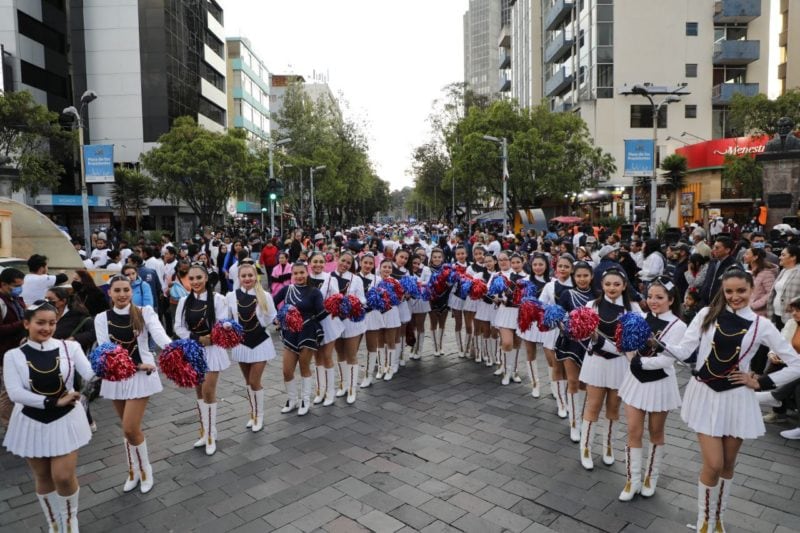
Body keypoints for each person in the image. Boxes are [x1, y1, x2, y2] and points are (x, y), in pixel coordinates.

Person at [668, 269, 800, 532]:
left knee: (728, 464)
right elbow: (684, 350)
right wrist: (655, 343)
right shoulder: (706, 315)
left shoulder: (761, 325)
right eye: (729, 291)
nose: (735, 296)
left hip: (738, 399)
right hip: (705, 394)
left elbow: (796, 364)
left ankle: (718, 521)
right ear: (723, 291)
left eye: (741, 291)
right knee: (714, 464)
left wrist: (760, 381)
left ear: (752, 290)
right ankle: (703, 522)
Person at [2, 300, 94, 532]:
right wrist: (52, 401)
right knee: (43, 475)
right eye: (40, 323)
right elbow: (15, 393)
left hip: (66, 420)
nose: (47, 328)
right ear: (26, 323)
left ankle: (70, 520)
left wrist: (119, 364)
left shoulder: (69, 348)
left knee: (62, 476)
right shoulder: (13, 355)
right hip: (30, 422)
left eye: (52, 323)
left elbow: (92, 374)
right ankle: (54, 522)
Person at [95, 275, 171, 493]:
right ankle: (133, 471)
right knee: (127, 430)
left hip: (142, 378)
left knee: (130, 427)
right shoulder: (101, 318)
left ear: (132, 291)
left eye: (126, 290)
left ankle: (146, 470)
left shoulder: (144, 312)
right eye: (117, 290)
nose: (122, 295)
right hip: (117, 376)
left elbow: (160, 336)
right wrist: (137, 365)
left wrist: (177, 350)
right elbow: (105, 350)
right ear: (109, 293)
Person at [617, 278, 687, 501]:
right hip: (635, 382)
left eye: (659, 297)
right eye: (650, 296)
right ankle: (632, 479)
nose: (653, 301)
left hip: (660, 385)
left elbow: (667, 360)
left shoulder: (678, 326)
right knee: (633, 430)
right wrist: (630, 357)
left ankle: (651, 477)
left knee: (656, 432)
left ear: (671, 299)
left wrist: (638, 362)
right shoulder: (639, 318)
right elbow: (627, 346)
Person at [580, 268, 641, 470]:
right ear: (602, 285)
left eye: (616, 284)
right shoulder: (592, 305)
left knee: (614, 407)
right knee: (593, 405)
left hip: (620, 364)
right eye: (607, 284)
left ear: (624, 286)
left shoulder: (633, 308)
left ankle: (608, 447)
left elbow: (638, 337)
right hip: (597, 362)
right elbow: (584, 332)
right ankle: (586, 448)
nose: (612, 288)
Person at [174, 263, 230, 455]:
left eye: (199, 278)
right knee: (198, 392)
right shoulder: (183, 301)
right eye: (192, 279)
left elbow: (223, 323)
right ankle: (204, 432)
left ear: (206, 278)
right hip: (194, 348)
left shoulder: (218, 299)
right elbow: (179, 327)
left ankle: (212, 434)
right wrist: (197, 339)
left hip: (213, 349)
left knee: (208, 391)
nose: (195, 282)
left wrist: (211, 338)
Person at [225, 260, 276, 432]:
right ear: (238, 278)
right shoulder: (231, 296)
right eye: (244, 276)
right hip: (241, 343)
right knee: (248, 382)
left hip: (260, 342)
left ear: (256, 277)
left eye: (250, 275)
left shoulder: (265, 295)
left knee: (255, 381)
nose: (247, 278)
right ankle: (252, 414)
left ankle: (259, 416)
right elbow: (227, 318)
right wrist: (227, 326)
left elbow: (270, 317)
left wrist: (259, 328)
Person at [274, 262, 324, 416]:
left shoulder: (314, 292)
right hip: (290, 332)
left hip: (308, 331)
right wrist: (276, 318)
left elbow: (321, 313)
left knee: (304, 366)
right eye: (295, 273)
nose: (299, 276)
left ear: (307, 273)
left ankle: (305, 400)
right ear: (292, 275)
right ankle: (292, 399)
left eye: (302, 272)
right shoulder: (286, 289)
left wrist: (336, 307)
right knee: (287, 370)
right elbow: (271, 304)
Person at [556, 261, 595, 442]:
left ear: (591, 277)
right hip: (571, 342)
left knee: (584, 385)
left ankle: (581, 417)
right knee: (572, 381)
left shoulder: (598, 295)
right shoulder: (566, 294)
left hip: (591, 345)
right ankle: (574, 424)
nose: (582, 279)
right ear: (573, 276)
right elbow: (559, 317)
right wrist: (565, 325)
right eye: (578, 276)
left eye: (585, 275)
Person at [308, 251, 344, 403]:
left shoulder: (330, 279)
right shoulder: (305, 278)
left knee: (327, 356)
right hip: (312, 323)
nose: (318, 264)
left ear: (325, 263)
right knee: (317, 357)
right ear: (310, 263)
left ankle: (330, 391)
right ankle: (320, 390)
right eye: (315, 261)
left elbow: (338, 299)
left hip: (327, 321)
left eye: (321, 261)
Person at [517, 253, 552, 397]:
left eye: (541, 264)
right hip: (529, 322)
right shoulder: (524, 281)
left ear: (547, 265)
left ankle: (554, 387)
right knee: (530, 352)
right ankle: (535, 384)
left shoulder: (553, 282)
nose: (538, 267)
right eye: (535, 265)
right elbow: (518, 301)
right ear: (531, 266)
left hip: (546, 323)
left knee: (550, 356)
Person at [332, 252, 366, 404]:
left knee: (351, 354)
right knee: (340, 353)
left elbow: (362, 299)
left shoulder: (356, 279)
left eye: (348, 263)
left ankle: (352, 388)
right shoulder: (329, 277)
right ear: (337, 260)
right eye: (343, 261)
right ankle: (343, 384)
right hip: (335, 321)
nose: (344, 264)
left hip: (351, 321)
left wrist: (353, 302)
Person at [0, 268, 28, 426]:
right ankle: (10, 427)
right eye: (16, 285)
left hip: (18, 351)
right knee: (7, 394)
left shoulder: (15, 299)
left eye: (21, 285)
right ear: (3, 284)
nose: (20, 288)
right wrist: (21, 323)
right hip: (4, 354)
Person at [493, 252, 526, 385]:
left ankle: (514, 370)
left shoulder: (528, 277)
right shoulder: (502, 276)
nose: (516, 265)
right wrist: (497, 298)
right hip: (505, 312)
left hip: (520, 314)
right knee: (507, 343)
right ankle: (506, 371)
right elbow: (494, 293)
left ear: (523, 262)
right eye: (513, 262)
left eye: (519, 262)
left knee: (517, 344)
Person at [357, 254, 382, 387]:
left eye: (370, 264)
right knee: (353, 347)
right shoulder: (354, 278)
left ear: (374, 266)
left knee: (372, 346)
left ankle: (368, 375)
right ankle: (351, 377)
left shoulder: (377, 279)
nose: (367, 266)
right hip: (357, 315)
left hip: (372, 315)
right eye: (365, 263)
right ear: (360, 262)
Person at [474, 253, 500, 368]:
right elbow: (474, 289)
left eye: (490, 261)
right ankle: (488, 357)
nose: (488, 263)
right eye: (486, 261)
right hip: (484, 305)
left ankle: (496, 356)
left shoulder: (500, 274)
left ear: (495, 261)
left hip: (496, 306)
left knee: (495, 331)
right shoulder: (480, 275)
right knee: (486, 331)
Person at [767, 244, 800, 330]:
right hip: (776, 315)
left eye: (783, 255)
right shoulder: (783, 271)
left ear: (793, 257)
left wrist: (792, 302)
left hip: (792, 318)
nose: (780, 257)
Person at [699, 237, 736, 307]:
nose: (713, 250)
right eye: (713, 247)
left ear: (727, 250)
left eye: (717, 248)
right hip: (705, 304)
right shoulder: (713, 262)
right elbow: (707, 280)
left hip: (721, 306)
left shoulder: (733, 266)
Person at [463, 246, 485, 362]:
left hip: (482, 301)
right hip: (471, 299)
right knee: (470, 326)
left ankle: (479, 350)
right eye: (476, 254)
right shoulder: (470, 268)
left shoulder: (488, 266)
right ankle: (468, 349)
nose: (479, 256)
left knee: (481, 326)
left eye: (481, 253)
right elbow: (467, 284)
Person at [427, 248, 451, 356]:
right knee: (433, 323)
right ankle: (435, 347)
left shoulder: (447, 270)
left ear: (443, 258)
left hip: (445, 298)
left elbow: (451, 284)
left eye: (439, 257)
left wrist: (449, 283)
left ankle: (440, 346)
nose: (437, 259)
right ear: (431, 259)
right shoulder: (427, 270)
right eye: (434, 257)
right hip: (432, 300)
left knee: (442, 323)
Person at [408, 254, 432, 359]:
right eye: (414, 263)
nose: (416, 265)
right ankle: (413, 346)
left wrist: (417, 283)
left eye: (418, 263)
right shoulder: (407, 271)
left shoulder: (426, 269)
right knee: (411, 325)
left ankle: (419, 349)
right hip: (409, 301)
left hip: (421, 300)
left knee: (420, 325)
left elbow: (428, 282)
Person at [743, 247, 777, 318]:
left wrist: (754, 305)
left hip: (760, 313)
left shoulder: (767, 273)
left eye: (747, 254)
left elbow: (771, 293)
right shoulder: (748, 271)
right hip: (747, 311)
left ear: (755, 257)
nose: (744, 256)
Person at [448, 245, 469, 357]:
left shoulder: (471, 266)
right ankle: (460, 348)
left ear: (466, 254)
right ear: (455, 255)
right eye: (458, 254)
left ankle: (467, 347)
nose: (461, 256)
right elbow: (449, 283)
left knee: (469, 324)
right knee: (459, 322)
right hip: (456, 298)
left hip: (469, 298)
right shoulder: (453, 267)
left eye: (462, 253)